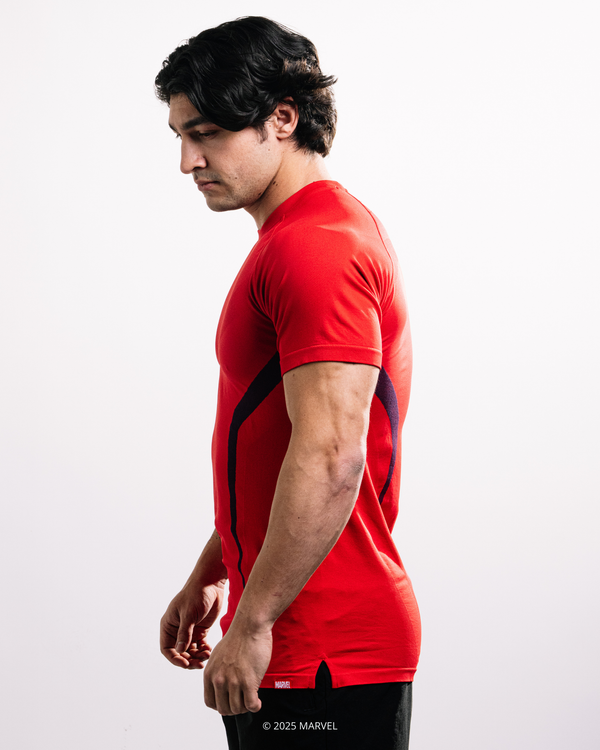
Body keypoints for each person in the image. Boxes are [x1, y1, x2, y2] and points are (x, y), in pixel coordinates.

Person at [155, 16, 421, 750]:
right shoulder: (304, 234)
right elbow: (280, 449)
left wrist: (253, 622)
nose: (188, 160)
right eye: (180, 135)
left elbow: (332, 455)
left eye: (207, 133)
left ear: (282, 117)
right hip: (302, 639)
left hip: (324, 649)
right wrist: (215, 570)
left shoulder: (316, 248)